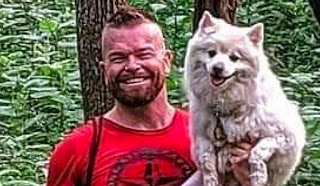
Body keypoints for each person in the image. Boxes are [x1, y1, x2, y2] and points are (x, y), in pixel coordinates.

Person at [47, 6, 251, 186]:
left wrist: (245, 179)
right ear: (104, 69)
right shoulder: (76, 150)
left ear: (167, 61)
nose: (132, 66)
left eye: (144, 54)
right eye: (118, 58)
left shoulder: (209, 136)